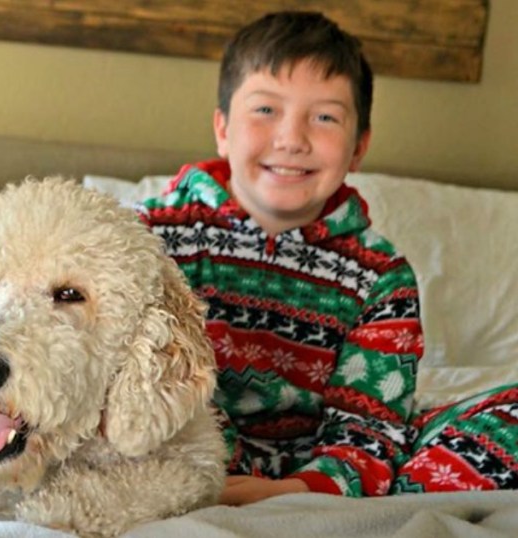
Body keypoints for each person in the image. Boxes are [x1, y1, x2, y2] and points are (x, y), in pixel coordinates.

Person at [141, 11, 424, 504]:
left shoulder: (381, 278)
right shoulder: (150, 238)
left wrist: (298, 488)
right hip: (176, 449)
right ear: (223, 129)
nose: (292, 139)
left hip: (309, 464)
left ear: (358, 148)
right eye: (266, 110)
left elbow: (368, 425)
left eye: (325, 117)